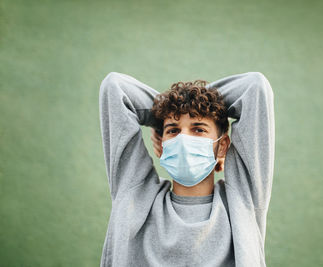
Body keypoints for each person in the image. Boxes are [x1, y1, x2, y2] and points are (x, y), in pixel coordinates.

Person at [98, 71, 275, 267]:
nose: (183, 139)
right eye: (173, 130)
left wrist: (190, 101)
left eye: (198, 129)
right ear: (161, 142)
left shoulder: (241, 200)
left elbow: (254, 87)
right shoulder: (136, 193)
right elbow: (115, 87)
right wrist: (172, 108)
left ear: (222, 145)